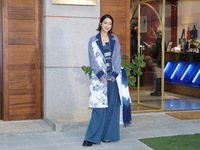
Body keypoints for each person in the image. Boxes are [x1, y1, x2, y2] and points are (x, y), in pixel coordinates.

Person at [82, 14, 122, 147]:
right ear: (100, 23)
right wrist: (100, 75)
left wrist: (115, 73)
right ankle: (91, 138)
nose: (107, 25)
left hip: (112, 78)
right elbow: (92, 59)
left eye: (110, 24)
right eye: (105, 23)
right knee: (99, 108)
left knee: (112, 107)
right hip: (99, 79)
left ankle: (108, 136)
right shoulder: (93, 40)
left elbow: (117, 57)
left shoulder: (114, 39)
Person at [145, 21, 162, 96]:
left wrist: (151, 48)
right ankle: (158, 91)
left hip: (158, 59)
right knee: (159, 75)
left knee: (158, 74)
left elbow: (155, 50)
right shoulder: (161, 40)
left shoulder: (159, 40)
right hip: (160, 58)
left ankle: (158, 91)